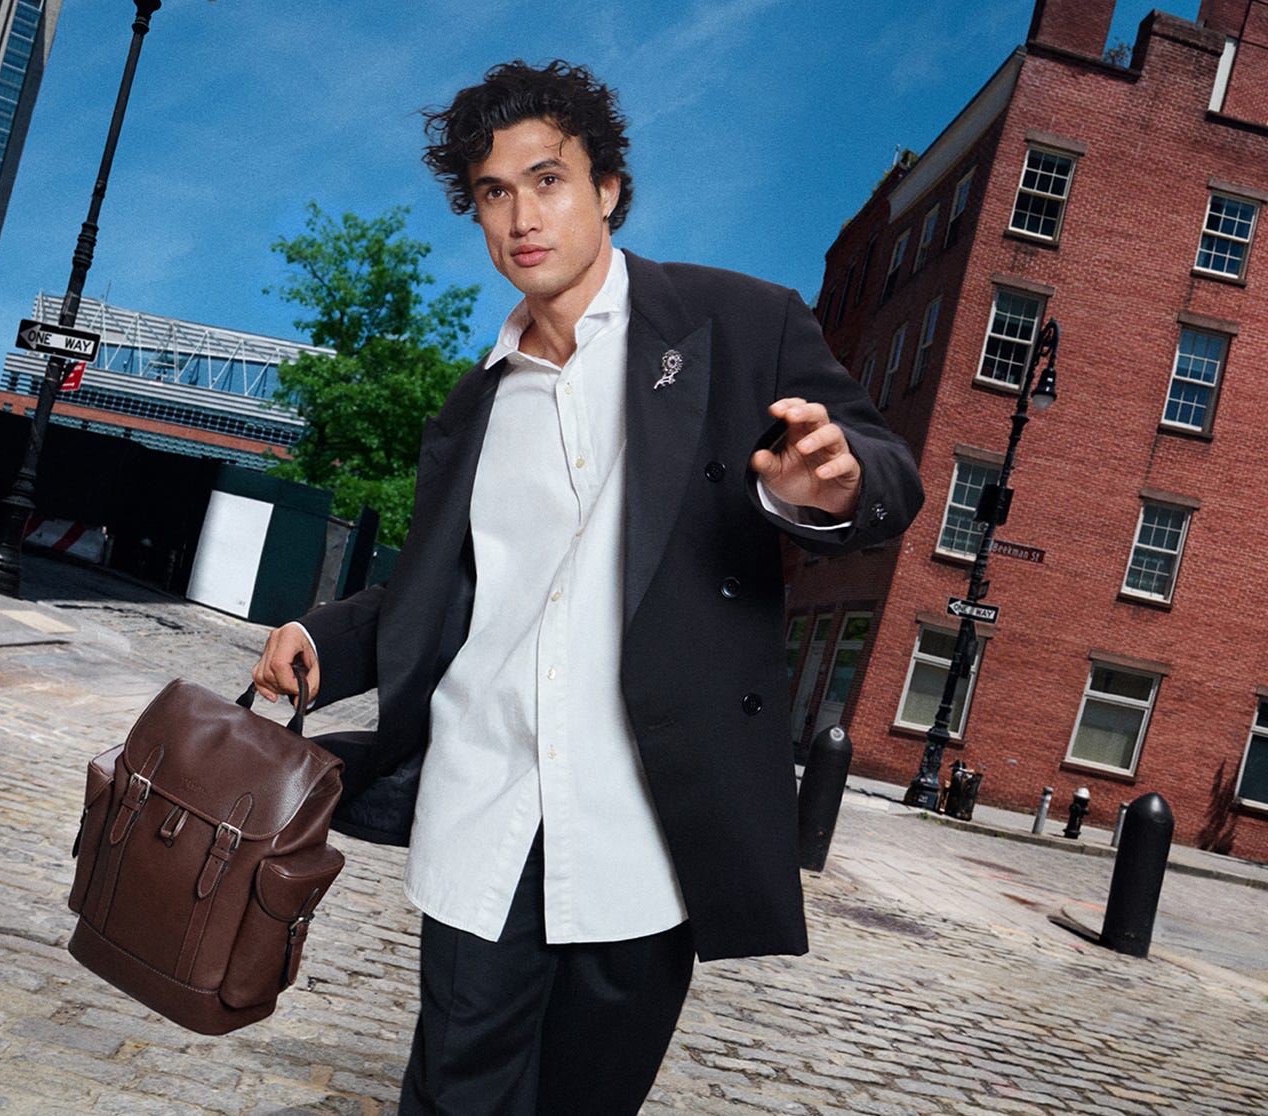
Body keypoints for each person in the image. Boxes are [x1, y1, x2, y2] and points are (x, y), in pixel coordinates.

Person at [254, 59, 923, 1116]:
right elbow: (461, 590)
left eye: (548, 178)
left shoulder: (738, 326)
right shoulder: (474, 409)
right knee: (453, 1095)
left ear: (606, 186)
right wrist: (326, 639)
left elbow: (889, 474)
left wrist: (828, 488)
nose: (522, 215)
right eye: (492, 192)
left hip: (642, 828)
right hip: (486, 805)